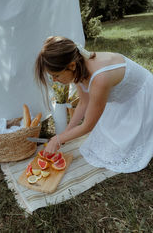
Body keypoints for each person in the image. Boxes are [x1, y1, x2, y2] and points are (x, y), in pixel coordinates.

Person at [34, 36, 153, 173]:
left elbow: (88, 126)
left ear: (71, 66)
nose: (54, 80)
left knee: (120, 152)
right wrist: (65, 133)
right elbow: (84, 103)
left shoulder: (100, 78)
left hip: (142, 99)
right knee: (102, 147)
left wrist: (58, 139)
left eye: (56, 75)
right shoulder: (78, 66)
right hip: (121, 101)